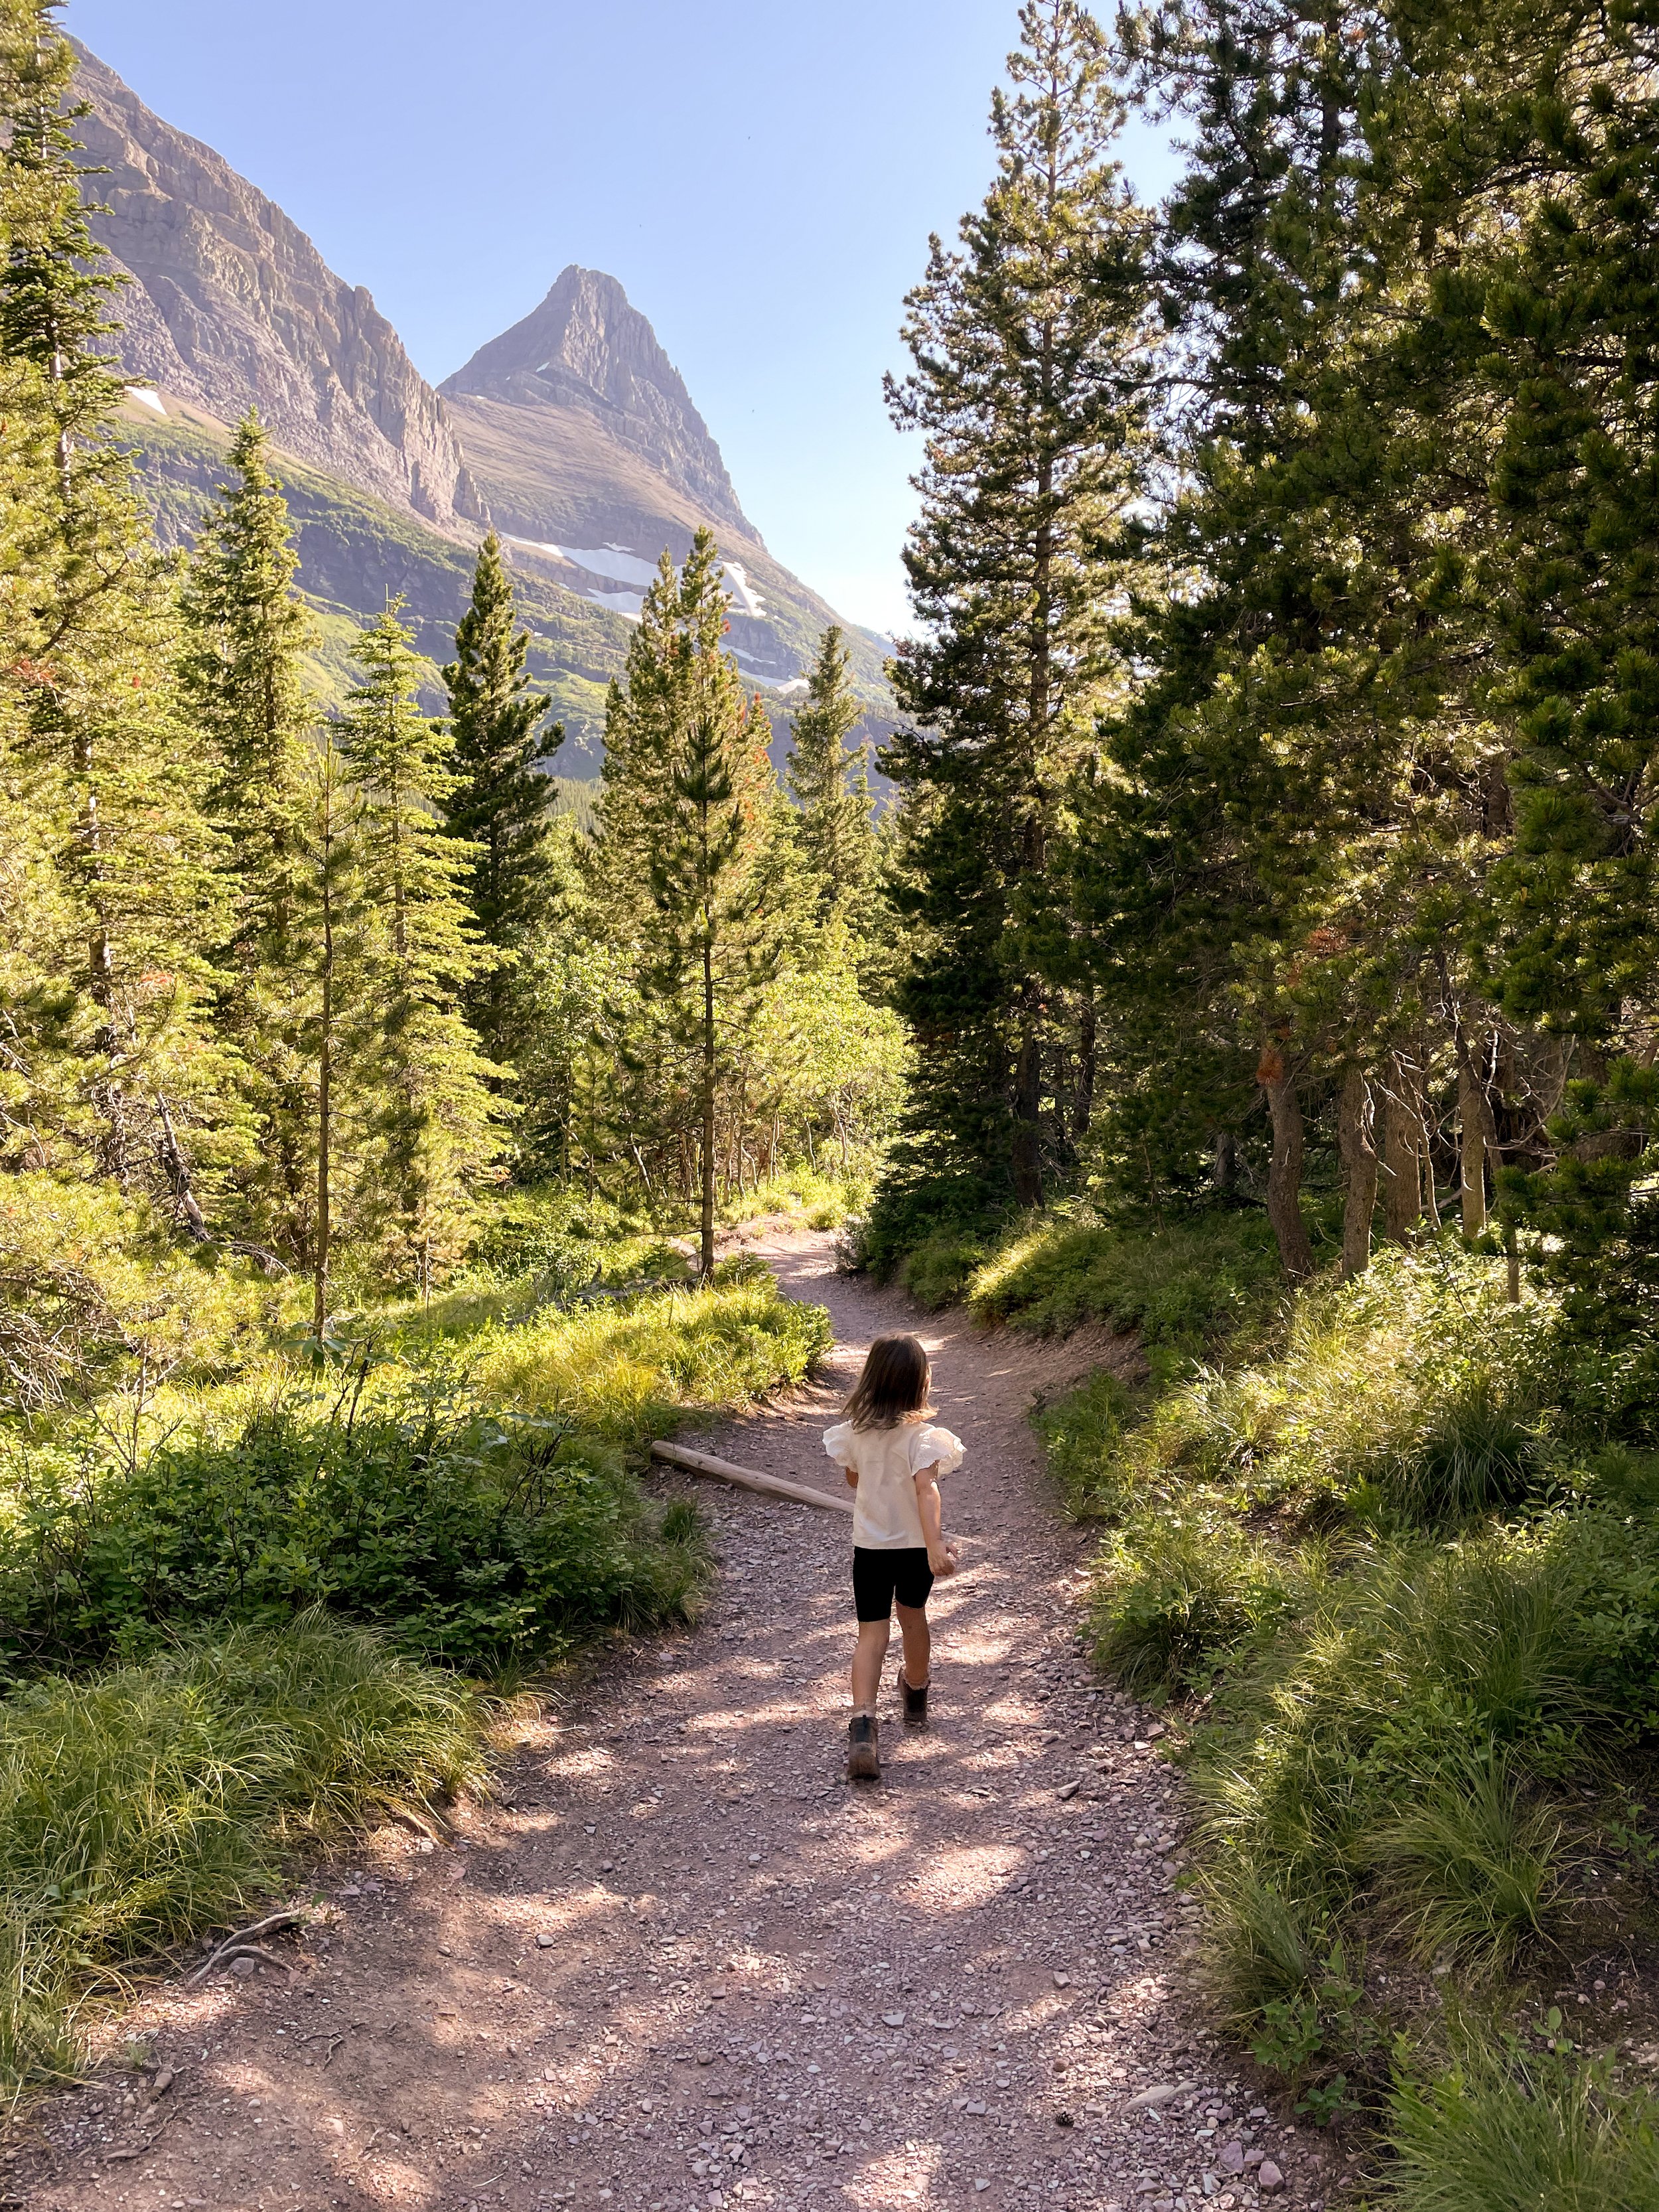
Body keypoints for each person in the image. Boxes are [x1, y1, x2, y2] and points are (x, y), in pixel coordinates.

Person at [823, 1333, 963, 1781]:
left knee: (871, 1634)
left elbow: (852, 1478)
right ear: (920, 1382)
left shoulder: (855, 1434)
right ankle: (916, 1690)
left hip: (870, 1549)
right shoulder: (923, 1439)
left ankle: (863, 1724)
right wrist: (935, 1544)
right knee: (913, 1616)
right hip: (913, 1550)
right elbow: (927, 1489)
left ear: (872, 1381)